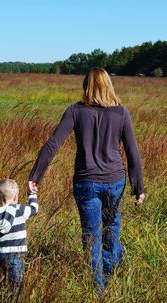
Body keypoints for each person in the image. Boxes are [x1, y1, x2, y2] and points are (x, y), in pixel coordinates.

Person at [27, 68, 145, 295]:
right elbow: (132, 151)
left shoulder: (75, 111)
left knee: (91, 235)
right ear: (109, 85)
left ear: (86, 86)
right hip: (115, 181)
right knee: (112, 226)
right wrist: (138, 187)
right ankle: (111, 275)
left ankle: (99, 289)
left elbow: (53, 143)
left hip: (86, 183)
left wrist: (35, 175)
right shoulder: (121, 112)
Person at [0, 179, 38, 292]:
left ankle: (6, 292)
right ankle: (12, 298)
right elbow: (34, 209)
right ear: (15, 197)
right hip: (15, 254)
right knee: (15, 285)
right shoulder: (20, 210)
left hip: (0, 255)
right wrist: (32, 194)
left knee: (8, 277)